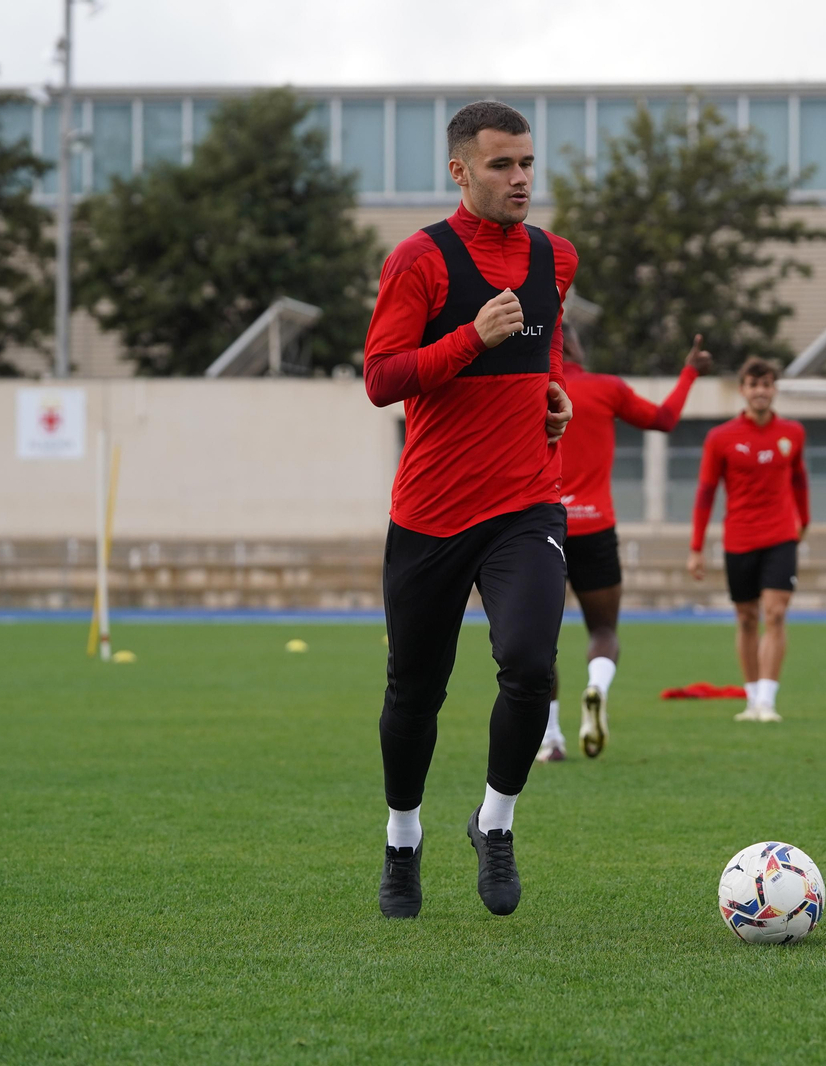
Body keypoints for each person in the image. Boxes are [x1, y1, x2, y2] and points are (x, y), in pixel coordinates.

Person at [362, 101, 576, 919]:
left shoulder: (557, 257)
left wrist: (553, 395)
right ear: (460, 170)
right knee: (414, 695)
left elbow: (547, 348)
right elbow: (382, 379)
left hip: (526, 504)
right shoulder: (419, 261)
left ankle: (495, 823)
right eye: (501, 165)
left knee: (529, 666)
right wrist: (470, 341)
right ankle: (403, 839)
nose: (521, 178)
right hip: (430, 514)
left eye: (527, 163)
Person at [538, 326, 713, 761]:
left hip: (539, 526)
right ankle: (596, 687)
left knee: (537, 642)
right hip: (595, 526)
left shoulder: (527, 391)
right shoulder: (606, 388)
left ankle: (550, 739)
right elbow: (664, 419)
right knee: (603, 631)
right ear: (576, 346)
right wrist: (689, 373)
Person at [687, 357, 809, 723]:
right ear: (743, 390)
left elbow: (800, 480)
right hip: (739, 539)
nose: (761, 391)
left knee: (775, 614)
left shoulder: (793, 433)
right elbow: (706, 493)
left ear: (774, 389)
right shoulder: (720, 438)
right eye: (754, 385)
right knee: (746, 618)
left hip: (780, 536)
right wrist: (696, 547)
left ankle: (767, 702)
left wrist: (805, 520)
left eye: (767, 384)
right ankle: (752, 696)